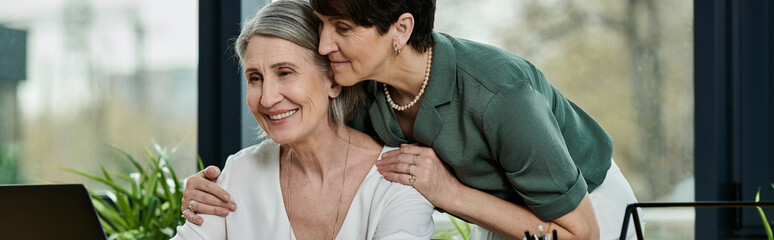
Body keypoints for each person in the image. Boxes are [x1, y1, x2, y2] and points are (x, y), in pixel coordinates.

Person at [183, 0, 641, 239]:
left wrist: (449, 193)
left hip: (582, 213)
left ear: (400, 29)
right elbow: (308, 129)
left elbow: (579, 234)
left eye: (343, 28)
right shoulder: (359, 84)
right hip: (500, 211)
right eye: (321, 24)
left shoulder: (501, 94)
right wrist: (205, 190)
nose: (323, 45)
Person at [171, 0, 434, 239]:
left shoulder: (398, 180)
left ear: (333, 81)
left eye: (285, 73)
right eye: (255, 78)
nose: (267, 99)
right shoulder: (238, 174)